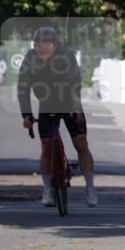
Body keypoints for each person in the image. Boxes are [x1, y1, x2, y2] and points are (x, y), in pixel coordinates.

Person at [17, 26, 98, 207]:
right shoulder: (30, 59)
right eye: (39, 44)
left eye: (47, 44)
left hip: (69, 102)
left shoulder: (66, 57)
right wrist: (27, 115)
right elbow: (23, 88)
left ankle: (90, 187)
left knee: (80, 143)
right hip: (47, 104)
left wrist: (76, 108)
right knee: (46, 146)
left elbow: (75, 83)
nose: (43, 48)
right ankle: (47, 190)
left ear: (55, 45)